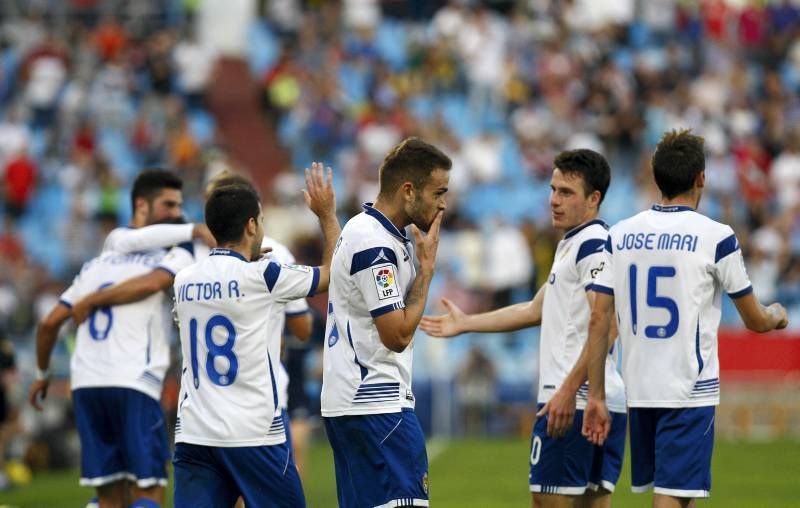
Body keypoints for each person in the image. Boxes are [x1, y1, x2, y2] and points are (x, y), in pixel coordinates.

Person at [582, 129, 789, 507]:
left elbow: (600, 318)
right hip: (688, 389)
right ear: (702, 178)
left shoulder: (620, 234)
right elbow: (755, 320)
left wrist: (595, 393)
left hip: (639, 388)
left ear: (655, 174)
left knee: (683, 494)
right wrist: (777, 316)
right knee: (673, 500)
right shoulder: (716, 237)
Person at [421, 149, 626, 508]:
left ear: (594, 199)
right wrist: (467, 323)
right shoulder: (575, 244)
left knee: (545, 501)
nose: (554, 200)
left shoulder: (591, 245)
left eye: (566, 192)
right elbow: (536, 309)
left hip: (574, 400)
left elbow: (608, 325)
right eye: (553, 189)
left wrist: (570, 390)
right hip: (600, 396)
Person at [27, 169, 211, 508]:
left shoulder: (95, 265)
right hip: (133, 383)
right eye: (168, 204)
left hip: (87, 386)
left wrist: (41, 375)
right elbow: (153, 283)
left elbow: (50, 323)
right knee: (149, 488)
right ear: (141, 205)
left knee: (109, 497)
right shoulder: (172, 254)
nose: (177, 213)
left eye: (180, 205)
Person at [171, 164, 339, 507]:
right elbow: (331, 275)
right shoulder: (265, 274)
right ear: (251, 225)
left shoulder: (183, 280)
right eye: (260, 220)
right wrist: (327, 216)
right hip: (252, 431)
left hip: (195, 432)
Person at [321, 137, 450, 508]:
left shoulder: (366, 231)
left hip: (349, 404)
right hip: (378, 406)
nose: (443, 203)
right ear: (409, 190)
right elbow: (396, 335)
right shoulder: (375, 245)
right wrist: (426, 272)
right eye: (438, 192)